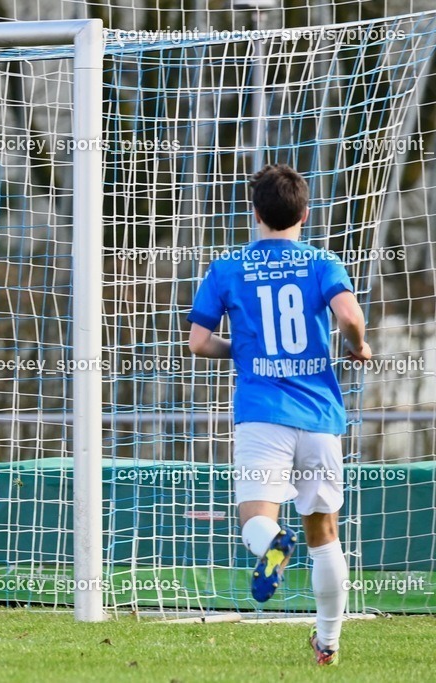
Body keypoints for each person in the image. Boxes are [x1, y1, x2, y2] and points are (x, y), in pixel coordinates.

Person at [187, 164, 370, 666]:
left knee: (254, 523)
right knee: (325, 534)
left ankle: (273, 544)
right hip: (319, 418)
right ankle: (328, 643)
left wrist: (242, 349)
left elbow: (199, 342)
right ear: (305, 213)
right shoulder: (322, 262)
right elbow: (351, 317)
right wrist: (358, 346)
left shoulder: (228, 267)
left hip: (262, 414)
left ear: (254, 211)